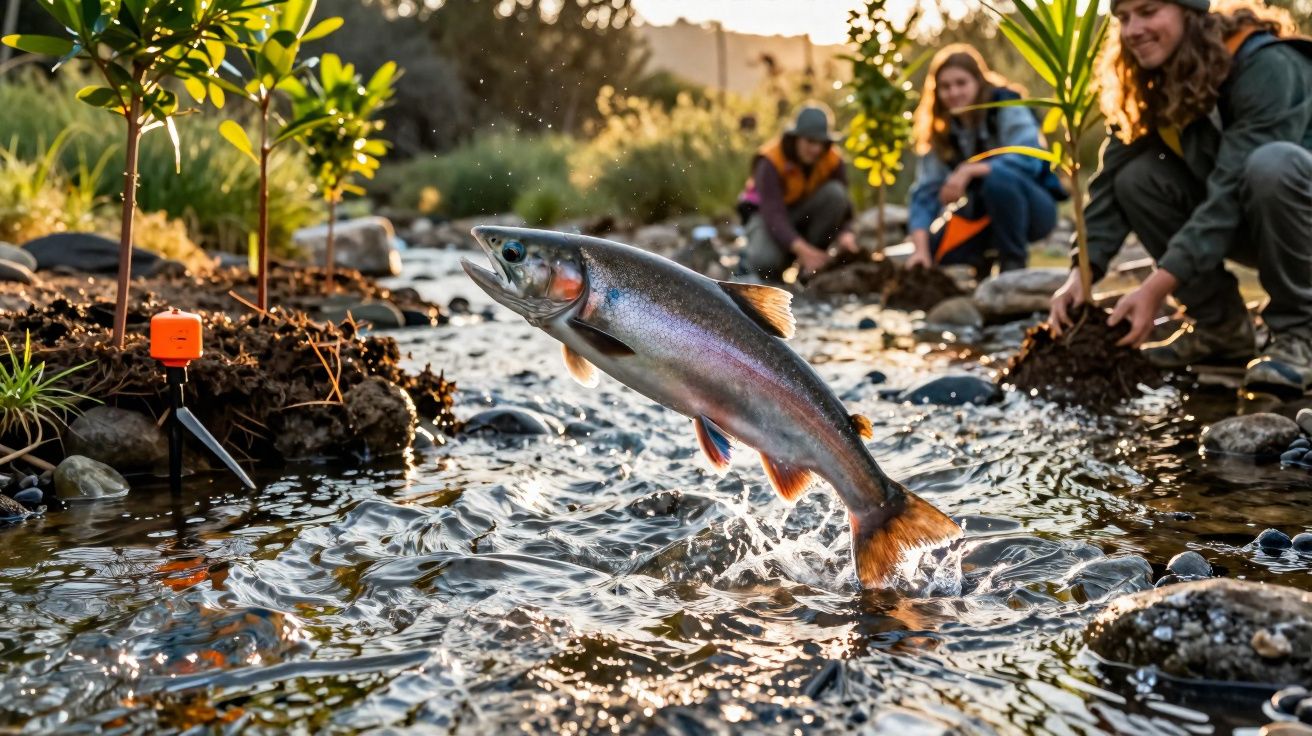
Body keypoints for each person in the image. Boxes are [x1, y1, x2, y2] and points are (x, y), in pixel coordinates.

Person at [1048, 0, 1312, 393]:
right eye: (1123, 18)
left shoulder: (1266, 65)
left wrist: (1155, 289)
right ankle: (1221, 329)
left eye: (1148, 11)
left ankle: (1301, 337)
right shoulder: (1155, 81)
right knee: (1135, 177)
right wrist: (1081, 273)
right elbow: (1109, 181)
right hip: (1253, 224)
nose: (1133, 29)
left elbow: (1231, 189)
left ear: (1190, 13)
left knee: (1271, 164)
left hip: (1296, 217)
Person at [906, 44, 1068, 276]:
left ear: (978, 82)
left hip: (1034, 209)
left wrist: (969, 170)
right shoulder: (941, 131)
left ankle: (1013, 265)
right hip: (981, 215)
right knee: (934, 251)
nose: (953, 93)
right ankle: (981, 264)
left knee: (998, 178)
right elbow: (925, 193)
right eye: (945, 87)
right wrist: (919, 251)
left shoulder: (1006, 106)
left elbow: (1030, 157)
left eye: (961, 83)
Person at [737, 104, 859, 281]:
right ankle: (762, 258)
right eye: (810, 141)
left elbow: (845, 206)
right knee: (766, 264)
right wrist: (803, 251)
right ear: (796, 138)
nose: (816, 149)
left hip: (804, 217)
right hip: (767, 218)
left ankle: (809, 267)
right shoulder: (770, 161)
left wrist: (847, 233)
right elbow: (774, 215)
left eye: (821, 143)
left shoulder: (833, 160)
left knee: (836, 193)